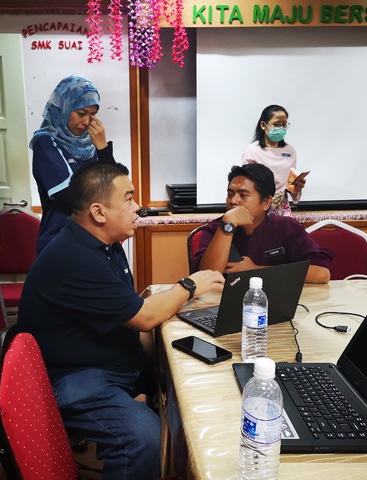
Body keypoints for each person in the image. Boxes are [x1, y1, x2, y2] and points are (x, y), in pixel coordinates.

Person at [18, 162, 224, 479]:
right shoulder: (74, 257)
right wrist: (189, 285)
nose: (137, 207)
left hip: (105, 360)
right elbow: (144, 316)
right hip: (73, 379)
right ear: (99, 212)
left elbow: (130, 310)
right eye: (128, 199)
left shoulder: (106, 245)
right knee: (144, 438)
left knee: (188, 385)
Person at [192, 163, 332, 284]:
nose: (233, 201)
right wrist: (227, 226)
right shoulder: (216, 229)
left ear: (266, 202)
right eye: (230, 194)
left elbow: (321, 274)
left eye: (243, 195)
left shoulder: (286, 228)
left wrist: (255, 271)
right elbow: (205, 278)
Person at [30, 75, 116, 254]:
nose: (86, 122)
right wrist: (106, 193)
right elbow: (70, 195)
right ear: (63, 108)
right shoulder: (45, 142)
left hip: (95, 238)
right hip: (59, 240)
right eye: (81, 113)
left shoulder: (91, 145)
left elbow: (115, 186)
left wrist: (103, 149)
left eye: (93, 115)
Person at [241, 104, 306, 216]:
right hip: (258, 209)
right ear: (263, 125)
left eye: (284, 125)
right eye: (276, 124)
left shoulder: (290, 151)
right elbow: (245, 185)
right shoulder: (252, 150)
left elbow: (291, 189)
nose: (281, 128)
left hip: (282, 210)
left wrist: (297, 187)